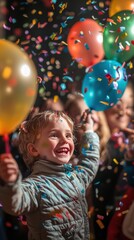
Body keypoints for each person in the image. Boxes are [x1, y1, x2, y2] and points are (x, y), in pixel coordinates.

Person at [0, 110, 100, 240]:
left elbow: (89, 162)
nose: (64, 140)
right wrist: (11, 183)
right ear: (34, 149)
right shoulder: (34, 186)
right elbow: (15, 205)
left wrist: (89, 131)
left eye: (68, 135)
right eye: (54, 135)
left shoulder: (76, 177)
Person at [92, 81, 134, 240]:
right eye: (117, 104)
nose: (124, 111)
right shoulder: (92, 140)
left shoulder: (129, 143)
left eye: (129, 106)